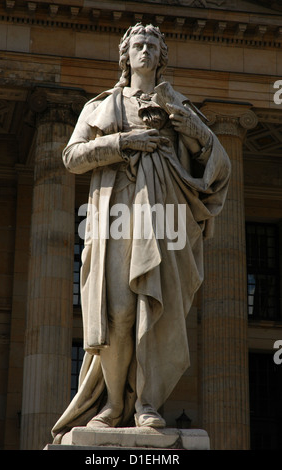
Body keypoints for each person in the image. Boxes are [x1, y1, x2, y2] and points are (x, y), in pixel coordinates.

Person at [51, 23, 230, 441]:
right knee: (118, 311)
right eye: (138, 45)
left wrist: (188, 128)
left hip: (166, 218)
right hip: (115, 216)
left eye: (152, 45)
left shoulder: (178, 104)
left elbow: (218, 160)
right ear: (126, 56)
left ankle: (147, 404)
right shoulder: (102, 105)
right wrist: (124, 142)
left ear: (161, 55)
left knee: (157, 308)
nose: (145, 51)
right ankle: (114, 404)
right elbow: (72, 156)